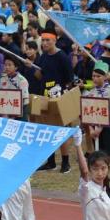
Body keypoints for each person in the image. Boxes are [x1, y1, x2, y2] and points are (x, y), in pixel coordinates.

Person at [30, 29, 73, 172]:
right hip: (45, 96)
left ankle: (65, 162)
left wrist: (62, 95)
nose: (45, 43)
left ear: (54, 41)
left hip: (59, 97)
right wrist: (31, 66)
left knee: (61, 129)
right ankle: (51, 161)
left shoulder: (62, 57)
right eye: (43, 40)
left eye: (48, 40)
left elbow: (69, 79)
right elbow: (39, 76)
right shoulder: (42, 57)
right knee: (47, 129)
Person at [83, 61, 110, 192]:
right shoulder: (91, 93)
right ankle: (101, 182)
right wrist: (93, 129)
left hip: (108, 129)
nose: (95, 78)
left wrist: (101, 127)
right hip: (95, 130)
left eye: (98, 76)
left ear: (105, 77)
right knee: (98, 156)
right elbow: (87, 113)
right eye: (93, 76)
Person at [0, 55, 30, 121]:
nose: (7, 67)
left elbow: (24, 99)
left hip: (20, 111)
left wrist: (15, 113)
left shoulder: (22, 80)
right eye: (5, 65)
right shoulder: (2, 78)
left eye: (9, 65)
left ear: (16, 67)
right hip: (6, 109)